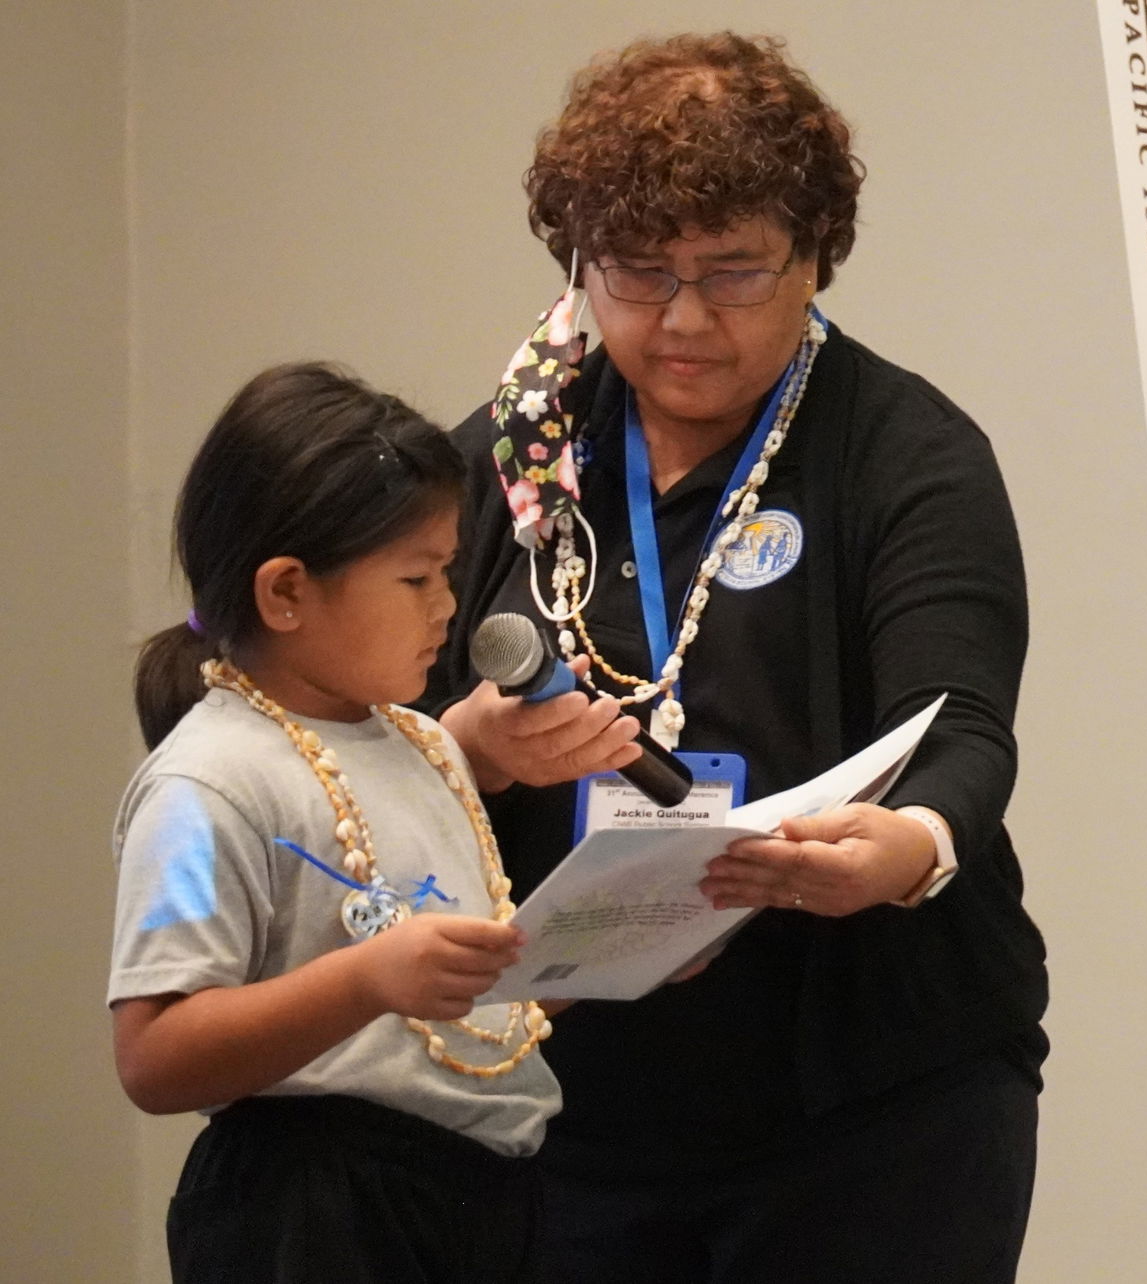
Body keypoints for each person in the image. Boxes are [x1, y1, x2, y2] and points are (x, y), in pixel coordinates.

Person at [426, 32, 1048, 1283]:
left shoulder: (906, 453)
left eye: (734, 272)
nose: (684, 318)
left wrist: (911, 847)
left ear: (816, 256)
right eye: (637, 274)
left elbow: (961, 728)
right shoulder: (506, 463)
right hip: (572, 1113)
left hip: (874, 1097)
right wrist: (465, 752)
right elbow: (359, 733)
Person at [107, 363, 598, 1284]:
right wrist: (367, 979)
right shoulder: (205, 783)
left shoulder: (424, 742)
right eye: (416, 577)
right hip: (316, 1203)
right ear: (286, 592)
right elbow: (154, 1056)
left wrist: (605, 945)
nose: (449, 606)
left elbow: (447, 1006)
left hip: (485, 1190)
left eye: (447, 570)